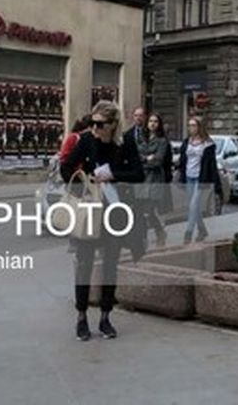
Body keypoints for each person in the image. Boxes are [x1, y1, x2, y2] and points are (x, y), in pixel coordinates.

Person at [60, 100, 144, 341]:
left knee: (110, 264)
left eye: (99, 124)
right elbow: (66, 168)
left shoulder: (125, 142)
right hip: (89, 210)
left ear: (113, 124)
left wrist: (113, 175)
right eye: (92, 123)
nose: (94, 128)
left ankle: (106, 317)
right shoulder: (87, 140)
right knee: (84, 263)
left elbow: (139, 173)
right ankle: (81, 317)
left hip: (114, 212)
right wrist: (85, 181)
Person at [176, 116, 217, 244]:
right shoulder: (187, 142)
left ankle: (188, 234)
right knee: (192, 207)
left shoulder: (208, 144)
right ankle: (202, 230)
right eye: (189, 125)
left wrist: (215, 183)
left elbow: (212, 165)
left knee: (194, 205)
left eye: (193, 125)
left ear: (199, 127)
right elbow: (183, 160)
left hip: (201, 177)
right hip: (189, 176)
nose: (190, 128)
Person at [135, 112, 172, 248]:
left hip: (155, 179)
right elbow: (137, 156)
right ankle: (144, 237)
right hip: (142, 178)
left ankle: (159, 232)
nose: (152, 124)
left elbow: (158, 161)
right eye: (150, 121)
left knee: (149, 210)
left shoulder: (162, 141)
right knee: (141, 211)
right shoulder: (141, 138)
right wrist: (147, 158)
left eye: (155, 121)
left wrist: (148, 159)